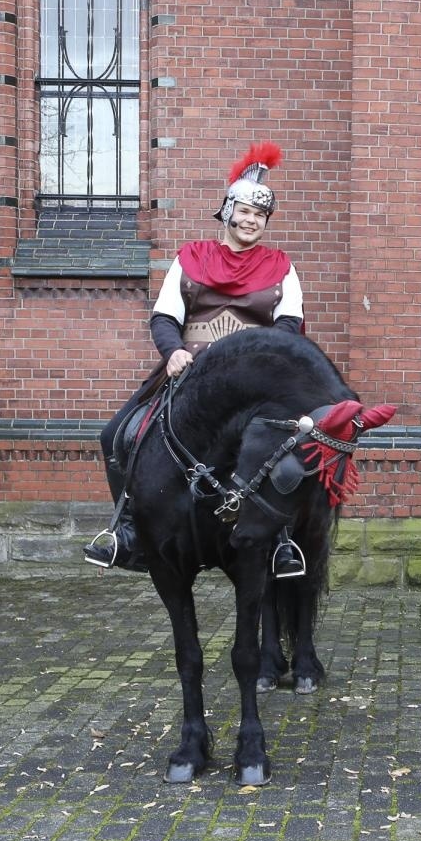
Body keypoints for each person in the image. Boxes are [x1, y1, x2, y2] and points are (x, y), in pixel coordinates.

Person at [84, 142, 305, 575]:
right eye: (244, 211)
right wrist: (174, 352)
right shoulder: (192, 257)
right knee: (116, 436)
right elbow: (165, 316)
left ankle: (283, 543)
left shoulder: (281, 266)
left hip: (252, 383)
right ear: (227, 211)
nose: (251, 221)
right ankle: (130, 532)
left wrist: (259, 366)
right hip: (190, 372)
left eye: (259, 215)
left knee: (294, 450)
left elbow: (289, 325)